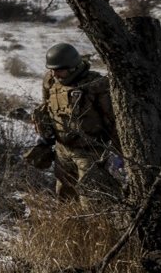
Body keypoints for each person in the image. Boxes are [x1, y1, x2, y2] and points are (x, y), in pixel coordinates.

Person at [31, 42, 121, 208]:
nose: (54, 73)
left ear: (73, 67)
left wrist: (117, 152)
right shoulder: (51, 80)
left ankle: (97, 232)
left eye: (59, 70)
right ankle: (71, 228)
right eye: (52, 69)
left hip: (90, 152)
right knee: (64, 197)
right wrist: (44, 136)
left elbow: (115, 120)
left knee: (92, 201)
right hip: (62, 149)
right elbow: (47, 106)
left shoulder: (97, 85)